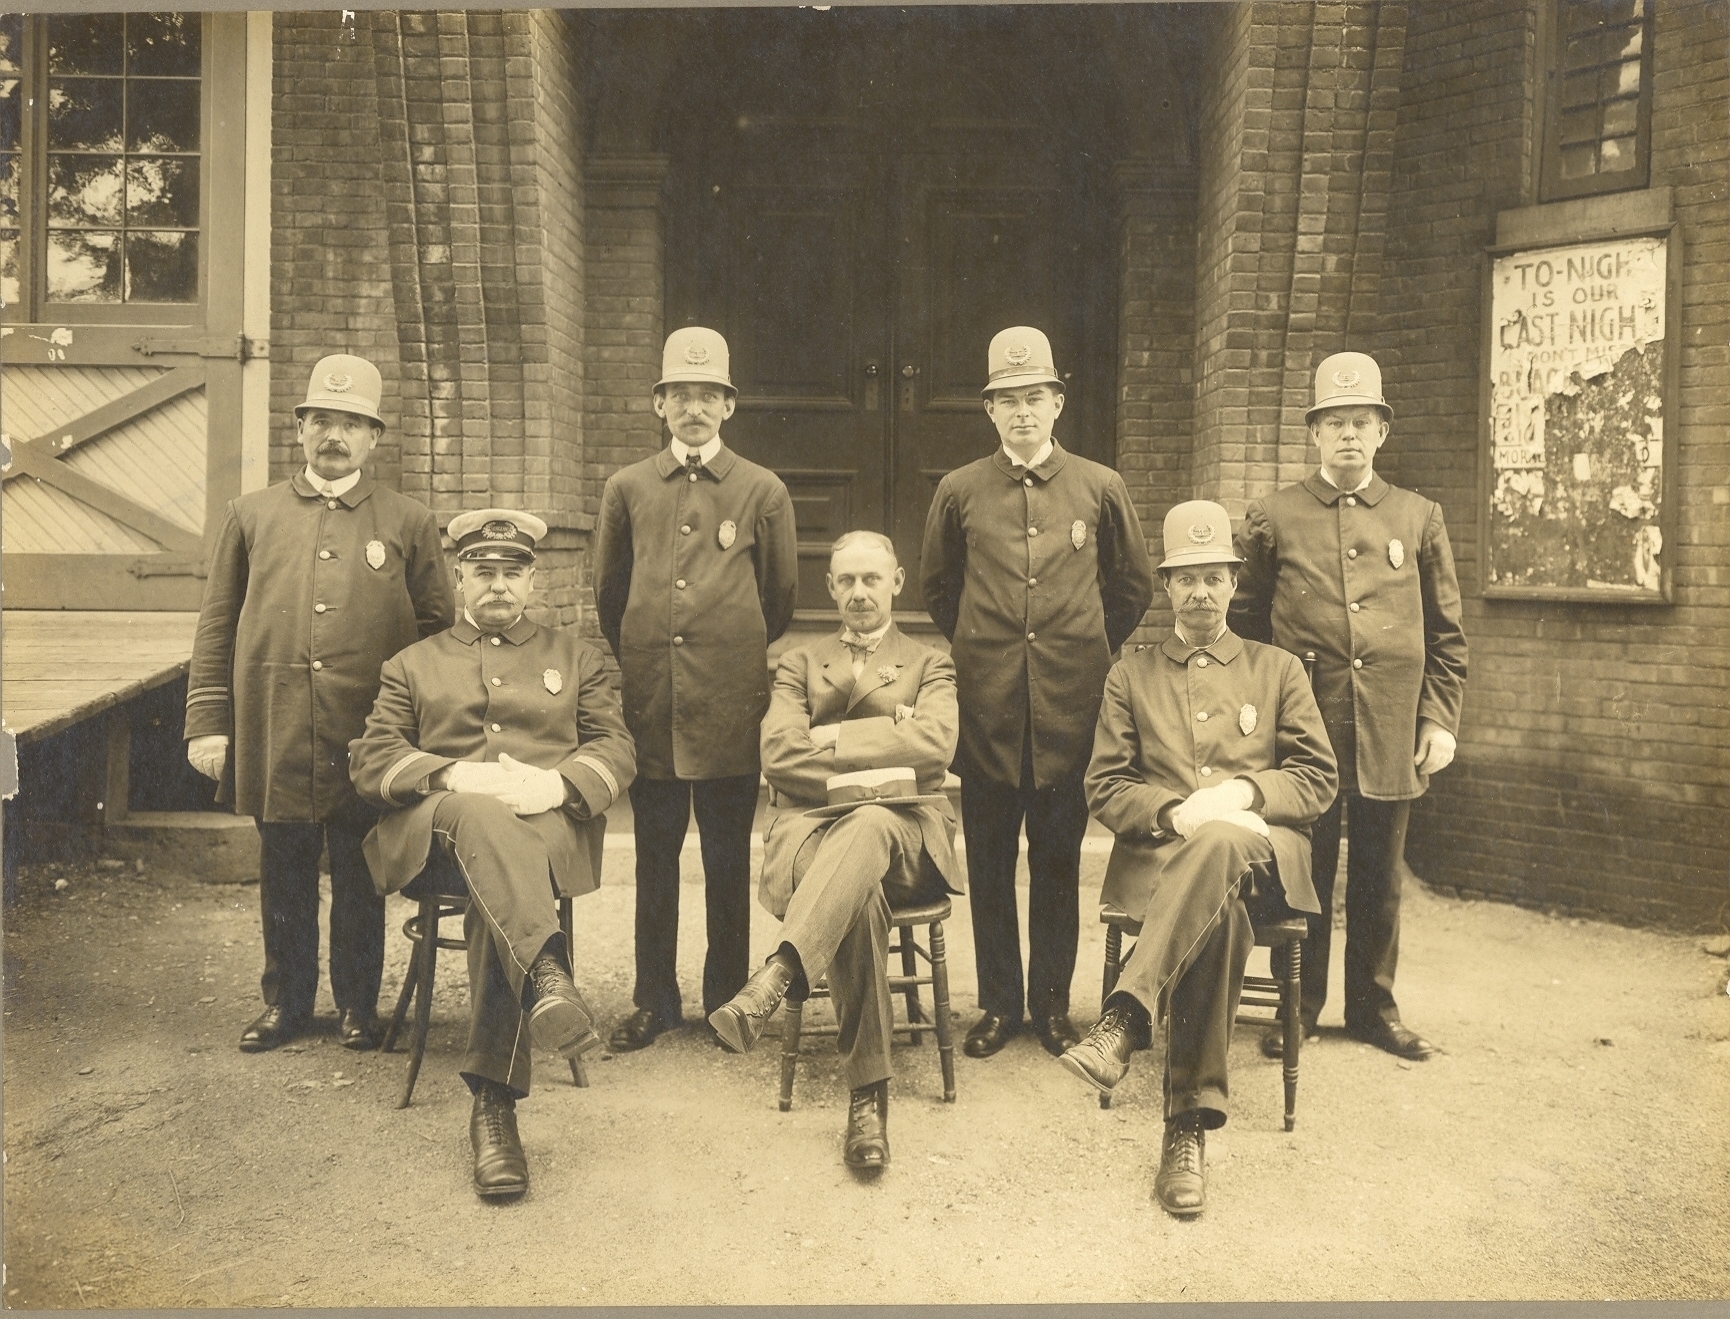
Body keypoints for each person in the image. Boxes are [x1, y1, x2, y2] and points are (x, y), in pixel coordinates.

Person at [349, 509, 637, 1199]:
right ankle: (546, 975)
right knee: (481, 817)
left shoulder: (577, 657)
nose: (498, 585)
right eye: (483, 571)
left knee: (498, 882)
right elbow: (372, 759)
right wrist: (453, 776)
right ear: (459, 578)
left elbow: (616, 746)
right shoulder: (412, 664)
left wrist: (555, 784)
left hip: (542, 828)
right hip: (439, 835)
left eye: (512, 572)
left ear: (533, 580)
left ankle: (494, 1104)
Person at [1061, 500, 1337, 1218]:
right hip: (1168, 861)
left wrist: (1244, 792)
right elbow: (1104, 785)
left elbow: (1318, 779)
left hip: (1266, 856)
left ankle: (1127, 1015)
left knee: (1222, 841)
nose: (1201, 593)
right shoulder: (1131, 674)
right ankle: (1185, 1129)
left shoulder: (1278, 669)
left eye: (1214, 577)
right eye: (1186, 578)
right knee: (1220, 913)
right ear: (1166, 586)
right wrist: (1171, 811)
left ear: (1235, 582)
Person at [185, 355, 453, 1054]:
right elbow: (216, 624)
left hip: (369, 731)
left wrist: (423, 730)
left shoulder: (408, 520)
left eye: (352, 424)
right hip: (275, 722)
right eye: (323, 421)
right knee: (285, 868)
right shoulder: (251, 515)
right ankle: (288, 1003)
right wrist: (209, 722)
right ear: (300, 428)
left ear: (374, 437)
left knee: (362, 871)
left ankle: (359, 1003)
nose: (335, 436)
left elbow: (438, 633)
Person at [921, 326, 1154, 1059]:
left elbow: (1133, 585)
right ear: (989, 410)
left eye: (1035, 397)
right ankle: (998, 1006)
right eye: (1008, 399)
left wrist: (1080, 644)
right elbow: (939, 588)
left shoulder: (1100, 486)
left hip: (1069, 708)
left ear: (1057, 402)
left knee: (1058, 861)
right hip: (988, 708)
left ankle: (1052, 1007)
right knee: (989, 863)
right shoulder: (959, 490)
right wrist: (989, 646)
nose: (1022, 411)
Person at [1230, 351, 1467, 1062]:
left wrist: (1438, 718)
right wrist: (1259, 717)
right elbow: (1246, 623)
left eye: (1361, 422)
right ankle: (1298, 1008)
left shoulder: (1419, 517)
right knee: (1301, 871)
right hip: (1304, 728)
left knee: (1379, 876)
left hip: (1391, 726)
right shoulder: (1273, 516)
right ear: (1314, 433)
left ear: (1382, 431)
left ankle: (1373, 1009)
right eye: (1334, 422)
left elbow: (1447, 632)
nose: (1348, 435)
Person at [708, 531, 960, 1170]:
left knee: (871, 825)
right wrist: (887, 747)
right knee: (858, 891)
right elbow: (779, 755)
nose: (859, 593)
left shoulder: (930, 663)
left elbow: (934, 748)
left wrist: (832, 738)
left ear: (896, 582)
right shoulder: (799, 663)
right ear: (830, 587)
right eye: (846, 581)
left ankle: (780, 972)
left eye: (872, 579)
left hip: (906, 838)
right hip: (810, 836)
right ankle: (868, 1100)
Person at [594, 326, 800, 1052]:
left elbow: (777, 598)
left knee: (725, 860)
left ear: (729, 406)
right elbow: (610, 594)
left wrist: (725, 655)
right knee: (654, 857)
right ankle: (653, 1001)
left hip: (727, 705)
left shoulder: (761, 489)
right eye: (679, 394)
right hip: (654, 702)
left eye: (707, 395)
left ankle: (723, 998)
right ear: (659, 403)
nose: (693, 408)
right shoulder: (628, 488)